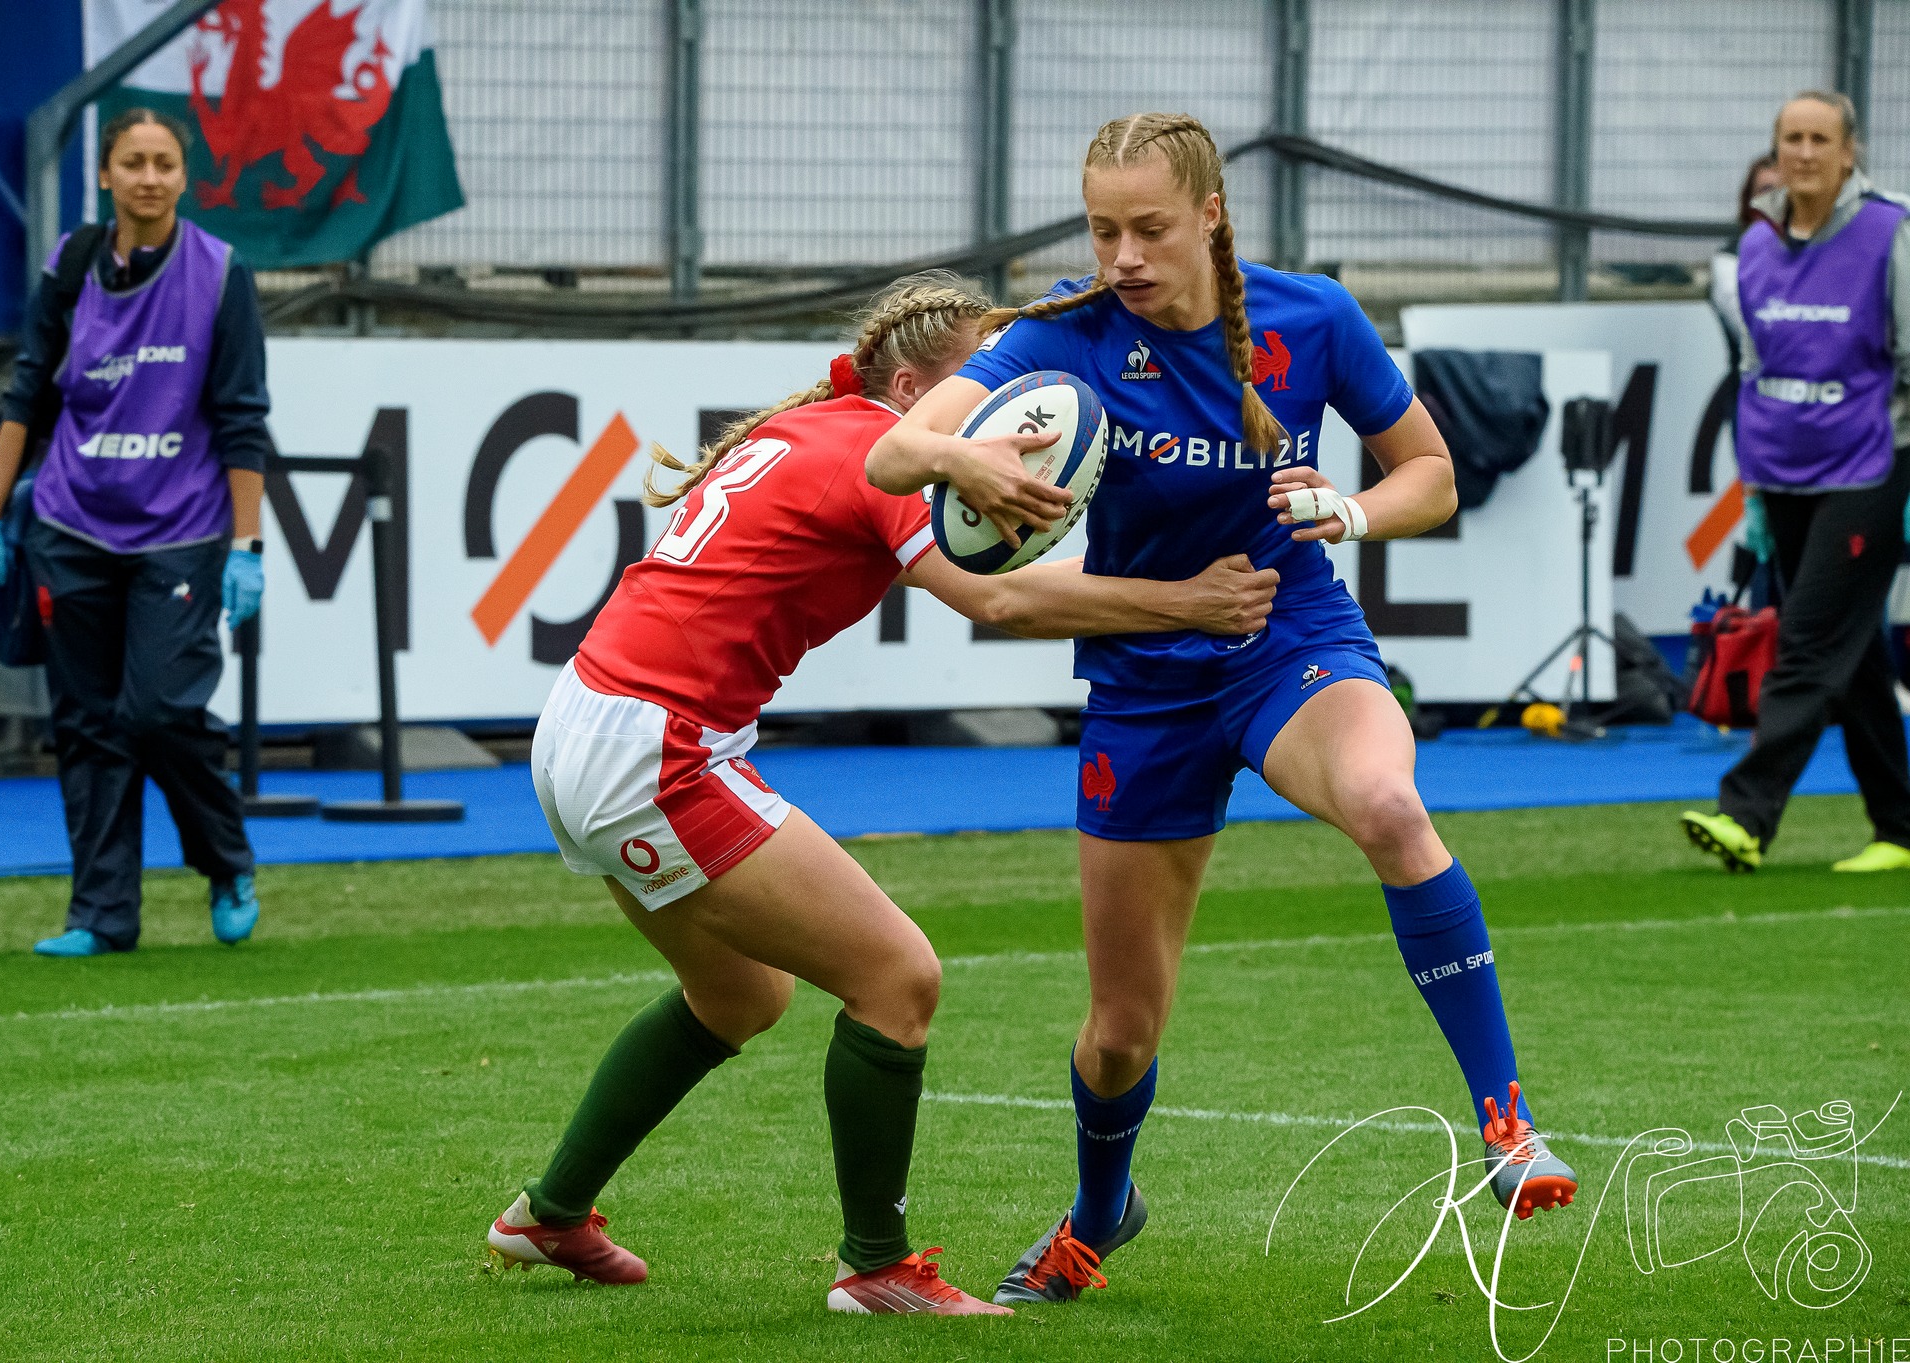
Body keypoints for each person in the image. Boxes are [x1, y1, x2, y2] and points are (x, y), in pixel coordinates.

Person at [869, 113, 1579, 1308]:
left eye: (1147, 228)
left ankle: (1507, 1127)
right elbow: (892, 459)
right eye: (1101, 230)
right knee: (1117, 1036)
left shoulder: (1311, 317)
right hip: (1144, 679)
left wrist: (1348, 512)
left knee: (1386, 802)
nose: (1122, 255)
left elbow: (1433, 475)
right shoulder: (1066, 335)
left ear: (1210, 217)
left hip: (1284, 636)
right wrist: (964, 463)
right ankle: (1100, 1214)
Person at [483, 273, 1280, 1315]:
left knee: (738, 996)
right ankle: (877, 1268)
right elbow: (993, 595)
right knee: (897, 979)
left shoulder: (827, 427)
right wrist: (1185, 601)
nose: (1001, 406)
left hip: (587, 723)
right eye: (980, 386)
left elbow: (998, 574)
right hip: (654, 751)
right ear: (910, 387)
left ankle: (548, 1216)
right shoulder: (877, 454)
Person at [0, 109, 271, 956]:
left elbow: (244, 422)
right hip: (71, 524)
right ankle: (102, 914)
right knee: (90, 724)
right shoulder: (69, 266)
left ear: (182, 177)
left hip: (181, 529)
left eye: (164, 162)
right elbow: (28, 397)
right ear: (106, 175)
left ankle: (226, 860)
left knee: (160, 708)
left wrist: (248, 550)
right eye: (132, 161)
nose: (148, 176)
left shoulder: (219, 273)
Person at [1682, 92, 1910, 874]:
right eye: (1792, 139)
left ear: (1850, 153)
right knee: (1856, 651)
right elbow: (1754, 365)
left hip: (1871, 465)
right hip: (1781, 470)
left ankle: (1746, 814)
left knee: (1809, 638)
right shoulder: (1756, 243)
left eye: (1821, 139)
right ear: (1775, 154)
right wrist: (1750, 480)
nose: (1805, 152)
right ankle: (1901, 826)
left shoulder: (1891, 231)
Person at [1712, 154, 1783, 575]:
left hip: (1830, 414)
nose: (1773, 200)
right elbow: (1758, 334)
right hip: (1755, 406)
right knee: (1769, 538)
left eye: (1781, 189)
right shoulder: (1730, 259)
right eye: (1763, 191)